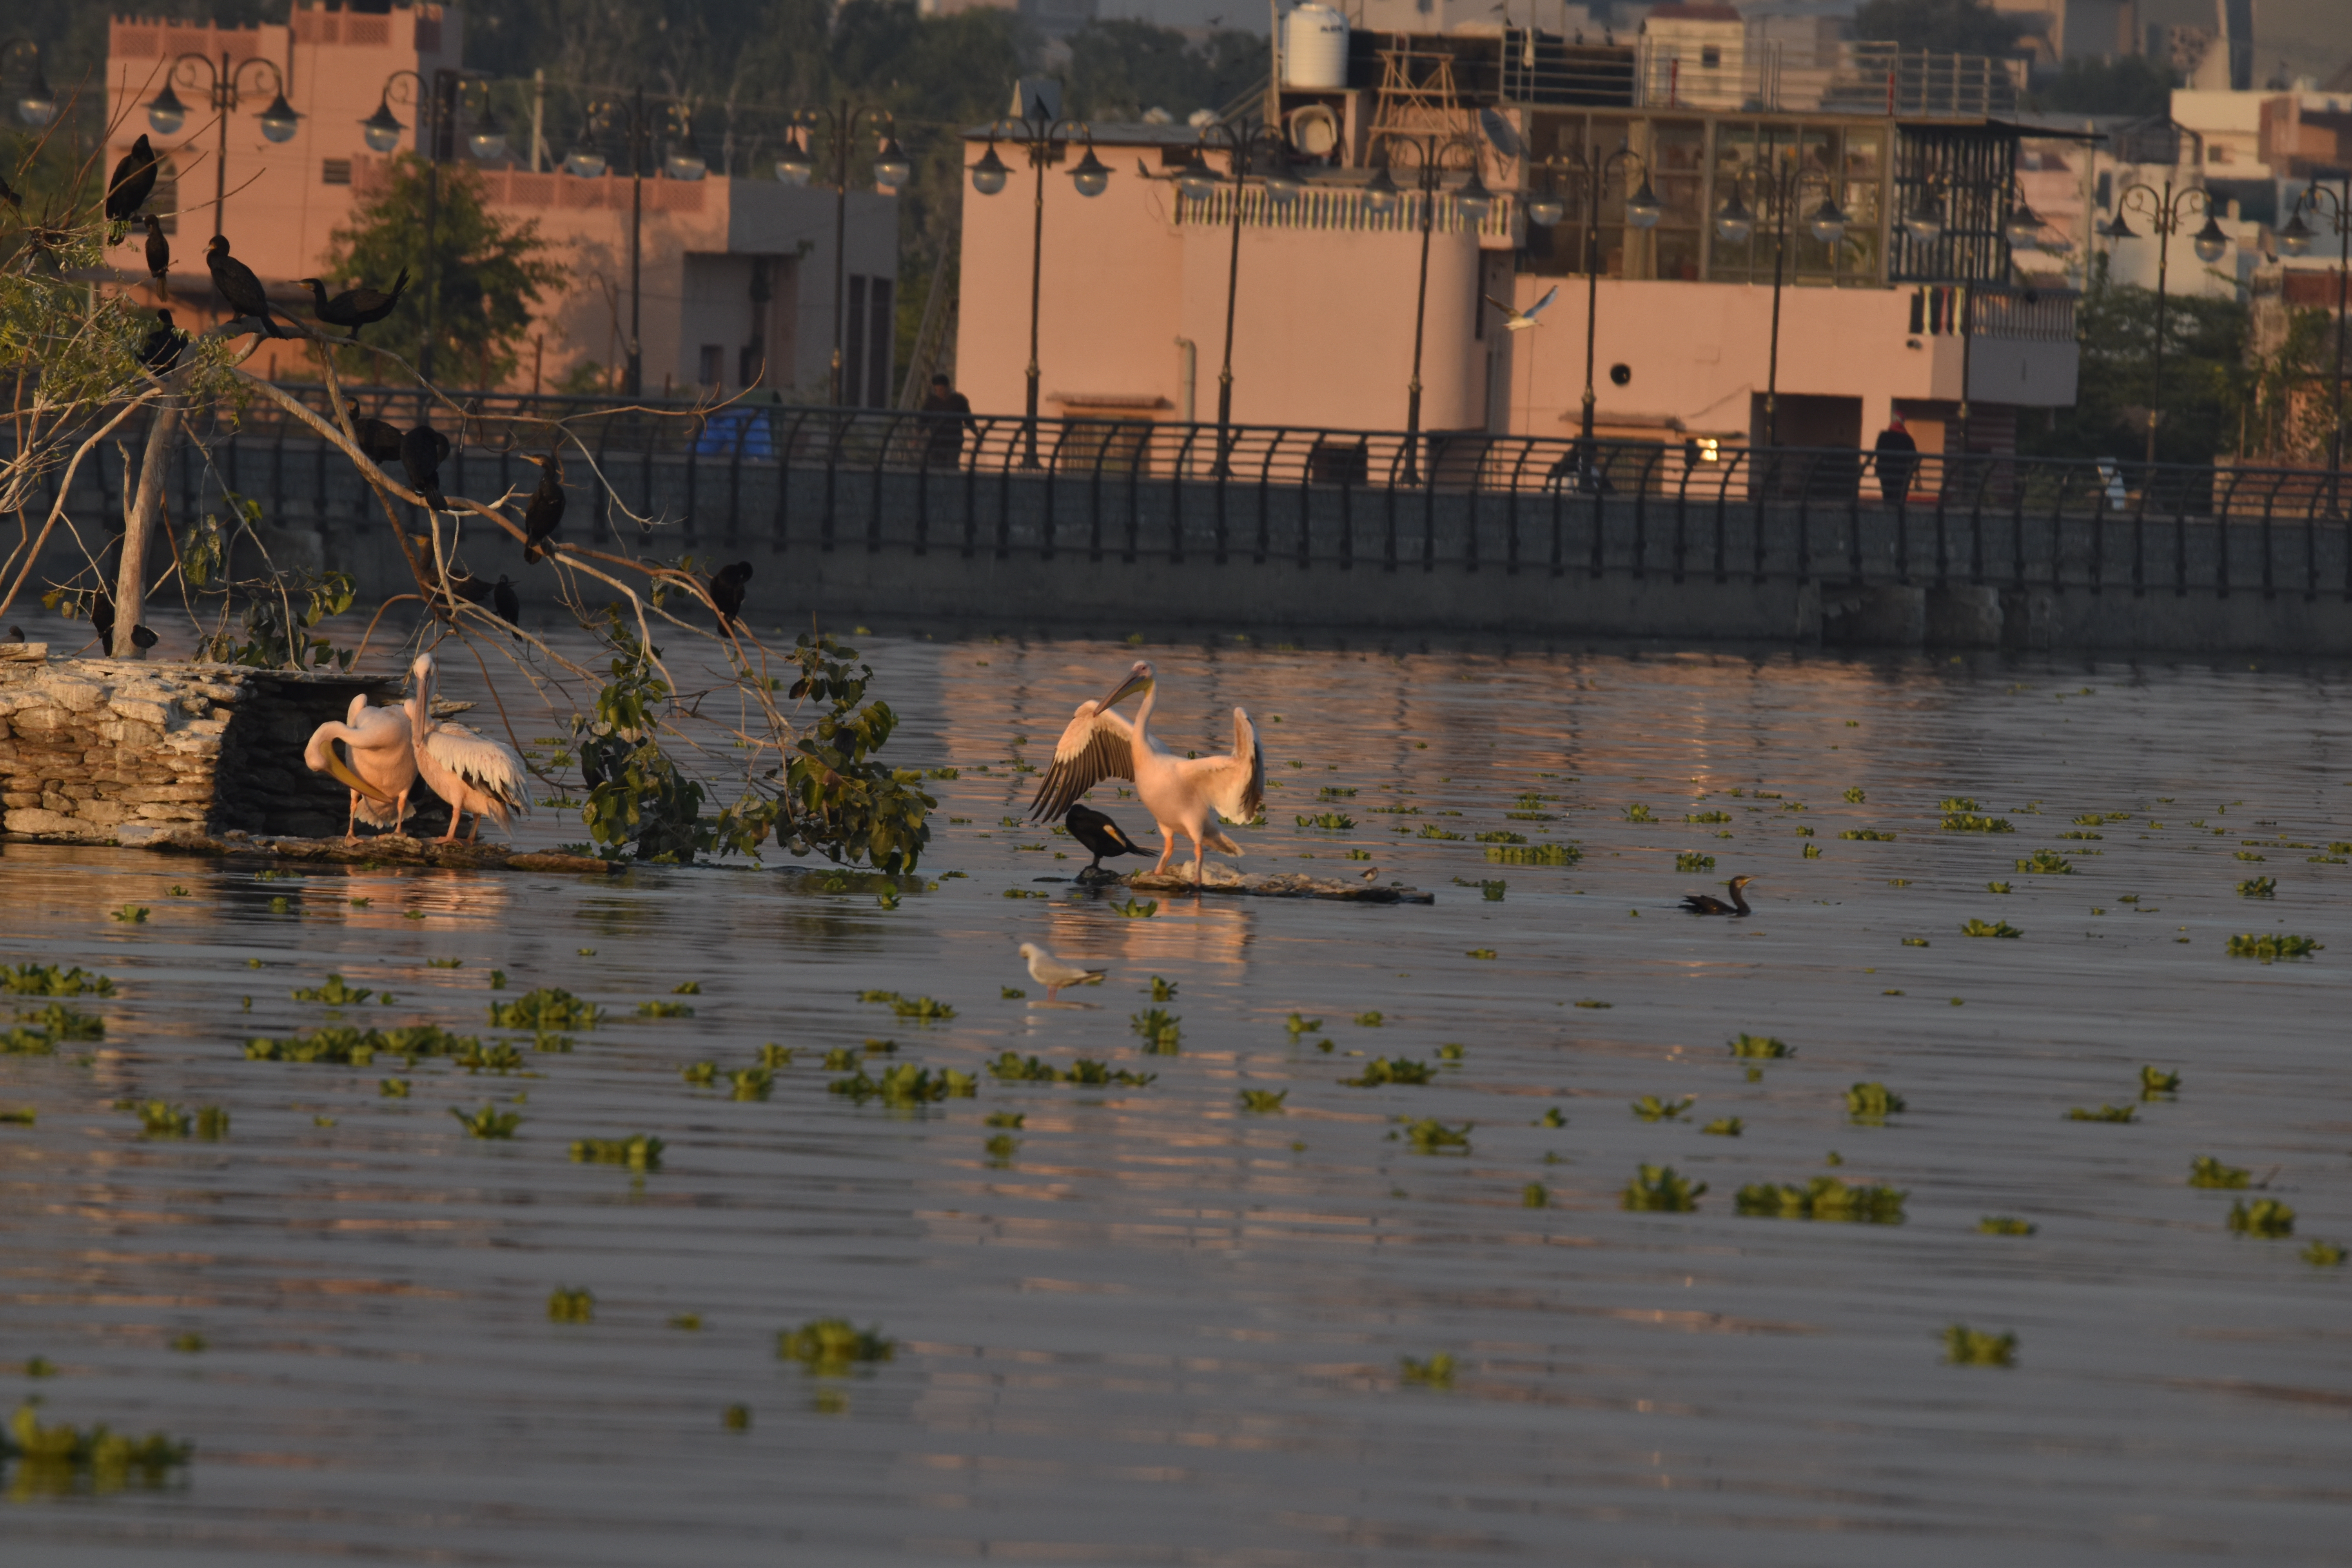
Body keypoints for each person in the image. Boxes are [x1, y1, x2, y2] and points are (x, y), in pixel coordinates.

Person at [922, 373, 974, 470]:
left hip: (953, 441)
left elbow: (968, 419)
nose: (938, 392)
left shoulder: (959, 400)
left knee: (951, 467)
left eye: (940, 390)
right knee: (936, 468)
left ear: (947, 387)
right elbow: (923, 418)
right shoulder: (932, 400)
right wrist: (917, 434)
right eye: (936, 390)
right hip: (936, 441)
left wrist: (977, 434)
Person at [1873, 412, 1917, 506]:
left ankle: (1888, 515)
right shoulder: (1907, 439)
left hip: (1885, 471)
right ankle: (1898, 517)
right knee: (1899, 498)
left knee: (1887, 496)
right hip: (1901, 473)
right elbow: (1914, 457)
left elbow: (1878, 452)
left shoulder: (1883, 436)